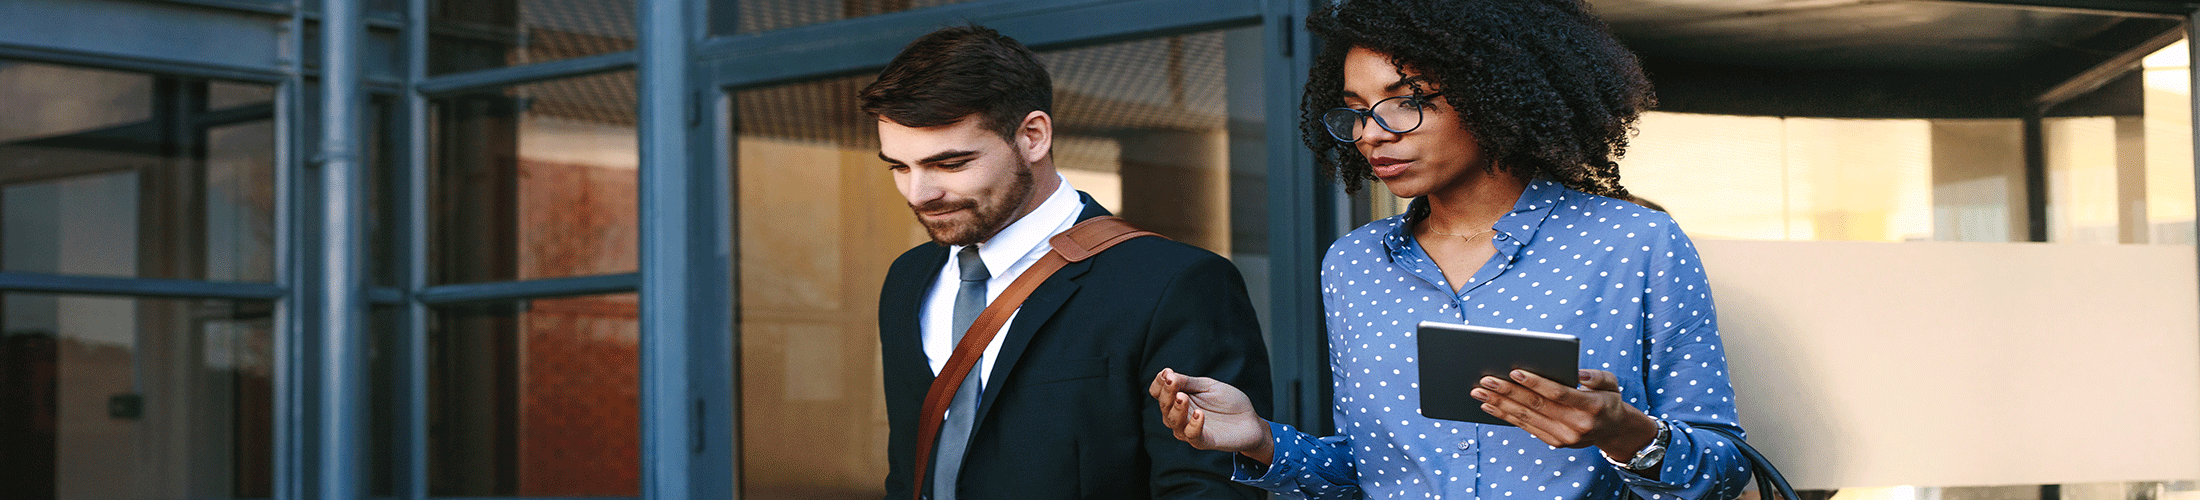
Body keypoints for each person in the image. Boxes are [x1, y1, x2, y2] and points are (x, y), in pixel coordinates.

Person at [1148, 1, 1753, 499]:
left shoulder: (1631, 243)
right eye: (1355, 112)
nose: (1372, 133)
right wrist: (1259, 439)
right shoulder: (1354, 265)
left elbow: (1725, 469)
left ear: (1492, 92)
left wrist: (1624, 433)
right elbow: (1368, 472)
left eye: (1405, 101)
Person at [860, 24, 1272, 500]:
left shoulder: (1174, 283)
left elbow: (1206, 488)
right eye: (899, 166)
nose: (919, 193)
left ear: (1033, 136)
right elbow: (909, 470)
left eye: (950, 164)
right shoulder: (908, 279)